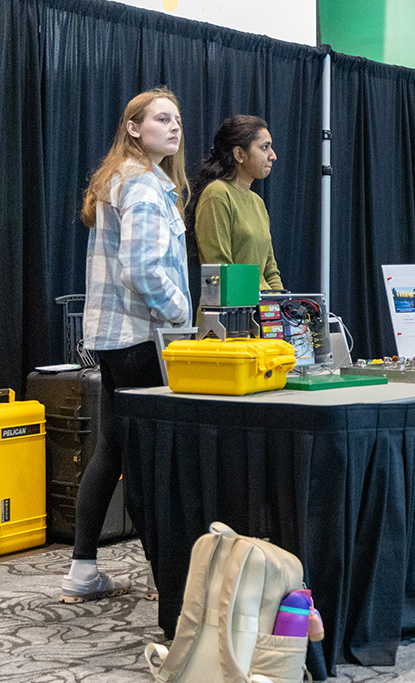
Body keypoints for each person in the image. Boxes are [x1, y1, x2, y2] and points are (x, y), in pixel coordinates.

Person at [61, 87, 192, 603]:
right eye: (163, 118)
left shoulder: (123, 177)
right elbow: (141, 268)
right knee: (148, 458)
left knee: (114, 447)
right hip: (141, 337)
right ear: (134, 128)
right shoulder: (142, 186)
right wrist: (180, 313)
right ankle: (171, 582)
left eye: (178, 119)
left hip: (114, 338)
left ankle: (82, 570)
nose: (175, 126)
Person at [187, 115, 283, 291]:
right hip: (232, 312)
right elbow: (220, 268)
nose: (273, 156)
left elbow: (271, 271)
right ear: (239, 154)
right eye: (264, 148)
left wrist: (278, 308)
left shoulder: (258, 202)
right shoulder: (217, 194)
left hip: (261, 309)